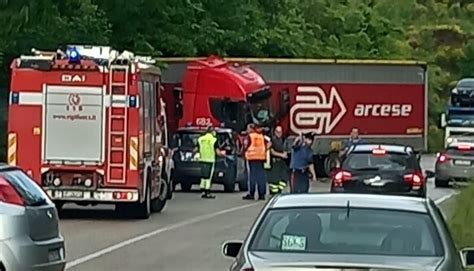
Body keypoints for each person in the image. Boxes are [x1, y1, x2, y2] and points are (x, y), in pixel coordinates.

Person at [195, 126, 225, 199]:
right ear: (212, 132)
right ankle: (207, 192)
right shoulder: (214, 140)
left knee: (203, 176)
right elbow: (217, 152)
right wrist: (223, 155)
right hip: (210, 160)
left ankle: (202, 189)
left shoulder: (200, 139)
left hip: (202, 159)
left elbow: (195, 149)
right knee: (209, 177)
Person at [242, 124, 271, 200]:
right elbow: (269, 143)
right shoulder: (261, 136)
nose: (247, 130)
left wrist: (243, 152)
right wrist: (264, 150)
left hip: (252, 158)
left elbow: (245, 146)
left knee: (252, 177)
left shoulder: (250, 136)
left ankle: (251, 193)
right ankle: (262, 194)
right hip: (261, 157)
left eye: (248, 128)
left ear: (251, 129)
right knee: (261, 176)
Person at [268, 126, 289, 195]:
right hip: (274, 162)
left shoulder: (284, 140)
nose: (279, 133)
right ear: (275, 132)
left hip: (282, 163)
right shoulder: (272, 140)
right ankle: (274, 193)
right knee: (274, 180)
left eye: (280, 132)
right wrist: (281, 155)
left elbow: (285, 150)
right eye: (277, 132)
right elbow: (272, 151)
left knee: (284, 178)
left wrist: (283, 155)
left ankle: (279, 190)